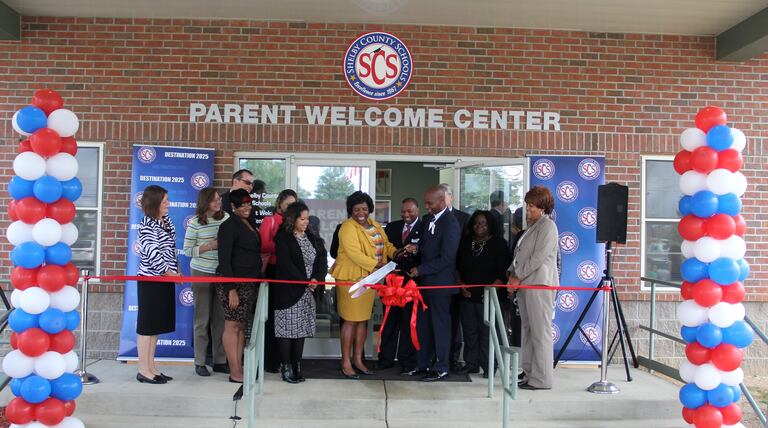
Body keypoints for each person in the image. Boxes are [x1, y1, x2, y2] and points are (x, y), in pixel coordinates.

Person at [331, 191, 397, 379]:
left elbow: (386, 245)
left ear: (370, 209)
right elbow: (354, 254)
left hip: (371, 279)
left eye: (364, 209)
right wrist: (379, 265)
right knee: (350, 320)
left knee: (362, 321)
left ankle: (358, 360)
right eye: (356, 209)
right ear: (350, 210)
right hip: (351, 279)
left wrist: (398, 252)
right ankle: (346, 362)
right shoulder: (347, 227)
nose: (361, 212)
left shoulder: (375, 225)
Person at [403, 186, 461, 381]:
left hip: (441, 285)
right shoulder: (428, 220)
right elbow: (427, 246)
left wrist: (421, 269)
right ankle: (423, 364)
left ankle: (441, 366)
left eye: (430, 203)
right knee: (422, 325)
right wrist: (416, 248)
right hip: (424, 285)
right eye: (425, 203)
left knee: (440, 326)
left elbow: (447, 258)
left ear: (442, 202)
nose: (426, 207)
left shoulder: (451, 223)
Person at [507, 186, 559, 390]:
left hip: (540, 285)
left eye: (531, 206)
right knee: (528, 331)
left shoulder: (548, 227)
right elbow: (521, 255)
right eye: (527, 205)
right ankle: (529, 373)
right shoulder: (533, 226)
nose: (527, 210)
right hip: (527, 285)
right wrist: (512, 275)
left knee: (540, 332)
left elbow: (538, 257)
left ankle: (542, 379)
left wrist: (517, 276)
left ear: (542, 207)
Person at [273, 201, 328, 383]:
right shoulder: (283, 237)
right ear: (293, 219)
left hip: (308, 292)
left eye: (307, 218)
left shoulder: (311, 237)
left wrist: (315, 280)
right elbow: (285, 263)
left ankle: (297, 365)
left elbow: (321, 261)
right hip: (289, 292)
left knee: (301, 329)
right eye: (302, 219)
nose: (306, 222)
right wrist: (304, 281)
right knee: (287, 331)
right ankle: (286, 367)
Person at [456, 210, 511, 376]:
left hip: (490, 297)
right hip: (467, 296)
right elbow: (457, 266)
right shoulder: (466, 242)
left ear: (491, 225)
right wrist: (460, 284)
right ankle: (471, 364)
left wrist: (492, 290)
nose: (479, 226)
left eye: (484, 223)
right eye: (476, 223)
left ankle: (489, 367)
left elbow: (504, 271)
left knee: (488, 334)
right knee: (470, 332)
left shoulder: (499, 243)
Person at [182, 188, 230, 377]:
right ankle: (200, 361)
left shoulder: (225, 218)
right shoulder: (195, 223)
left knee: (220, 319)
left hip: (220, 273)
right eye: (214, 200)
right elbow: (187, 251)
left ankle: (219, 360)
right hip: (200, 272)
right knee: (202, 319)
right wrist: (209, 245)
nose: (218, 203)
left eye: (219, 199)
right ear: (205, 203)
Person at [136, 185, 180, 384]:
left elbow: (170, 248)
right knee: (146, 327)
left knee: (155, 327)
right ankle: (143, 370)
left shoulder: (165, 222)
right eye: (164, 202)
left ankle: (151, 367)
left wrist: (176, 270)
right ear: (154, 203)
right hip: (151, 281)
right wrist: (168, 273)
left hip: (165, 279)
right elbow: (152, 254)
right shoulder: (147, 224)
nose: (168, 204)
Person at [217, 189, 262, 383]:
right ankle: (234, 371)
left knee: (241, 325)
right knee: (232, 324)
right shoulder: (228, 226)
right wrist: (231, 289)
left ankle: (239, 367)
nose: (247, 207)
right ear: (233, 206)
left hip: (248, 282)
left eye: (249, 204)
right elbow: (224, 259)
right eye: (242, 204)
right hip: (233, 283)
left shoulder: (249, 223)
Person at [379, 197, 421, 371]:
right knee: (389, 322)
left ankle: (406, 361)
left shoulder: (424, 228)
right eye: (403, 211)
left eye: (410, 211)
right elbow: (385, 251)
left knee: (408, 324)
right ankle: (385, 359)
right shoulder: (392, 227)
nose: (406, 215)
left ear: (417, 211)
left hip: (411, 285)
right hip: (391, 283)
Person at [259, 189, 298, 372]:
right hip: (273, 272)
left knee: (286, 317)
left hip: (289, 274)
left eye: (293, 204)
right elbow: (263, 244)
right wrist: (284, 246)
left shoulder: (296, 222)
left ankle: (287, 359)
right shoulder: (270, 220)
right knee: (272, 318)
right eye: (288, 204)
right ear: (280, 203)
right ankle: (270, 361)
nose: (290, 208)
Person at [437, 183, 468, 372]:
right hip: (436, 279)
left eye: (444, 195)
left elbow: (464, 250)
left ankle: (453, 358)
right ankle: (438, 356)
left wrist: (460, 275)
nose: (441, 199)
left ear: (451, 197)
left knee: (454, 320)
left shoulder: (463, 218)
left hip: (455, 276)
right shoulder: (431, 218)